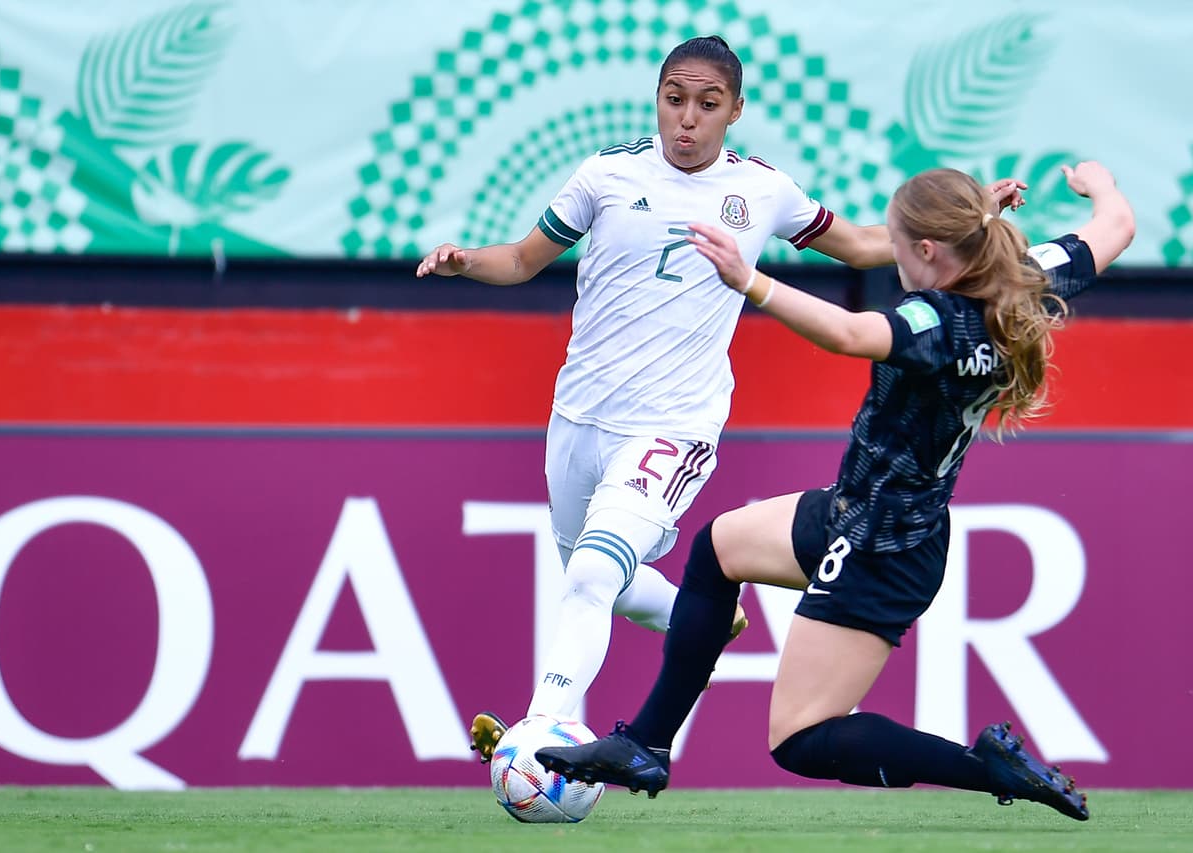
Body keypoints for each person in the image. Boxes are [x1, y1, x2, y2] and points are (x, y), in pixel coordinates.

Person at [416, 35, 1022, 764]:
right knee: (593, 570)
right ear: (658, 100)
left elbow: (864, 247)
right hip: (578, 417)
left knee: (591, 574)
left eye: (707, 105)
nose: (687, 120)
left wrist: (967, 216)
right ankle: (692, 613)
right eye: (675, 100)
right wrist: (463, 263)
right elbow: (518, 259)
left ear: (735, 109)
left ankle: (540, 727)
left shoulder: (762, 190)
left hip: (675, 422)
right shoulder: (605, 174)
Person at [536, 161, 1135, 822]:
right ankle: (646, 742)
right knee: (720, 546)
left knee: (799, 737)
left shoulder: (936, 322)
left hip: (882, 545)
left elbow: (850, 335)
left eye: (899, 246)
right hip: (865, 510)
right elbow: (1117, 225)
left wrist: (751, 280)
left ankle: (982, 764)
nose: (894, 258)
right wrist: (1099, 186)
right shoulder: (1028, 277)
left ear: (930, 252)